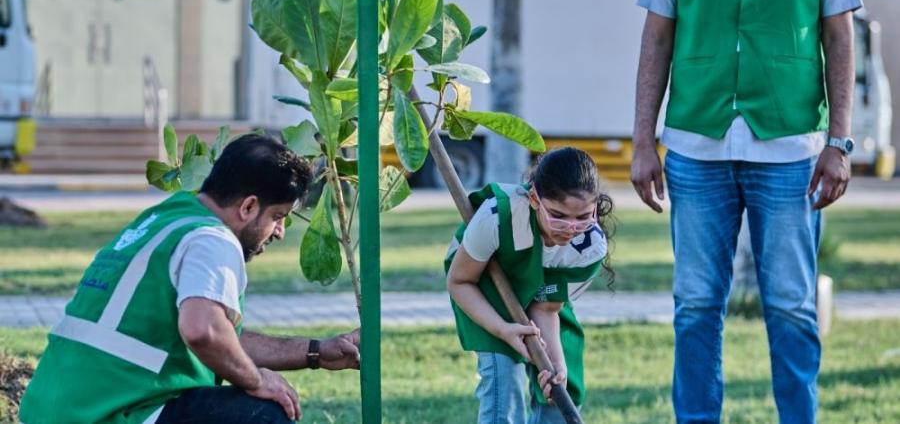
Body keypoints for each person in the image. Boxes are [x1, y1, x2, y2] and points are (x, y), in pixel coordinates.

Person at [631, 0, 860, 422]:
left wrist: (840, 142)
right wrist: (642, 140)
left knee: (791, 306)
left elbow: (839, 33)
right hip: (696, 143)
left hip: (792, 147)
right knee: (695, 305)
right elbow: (657, 34)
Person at [19, 134, 360, 424]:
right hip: (113, 413)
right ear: (248, 207)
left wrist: (316, 352)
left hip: (59, 409)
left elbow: (223, 337)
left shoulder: (166, 218)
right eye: (278, 217)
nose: (280, 232)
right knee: (262, 414)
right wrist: (256, 381)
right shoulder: (212, 239)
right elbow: (204, 331)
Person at [445, 147, 614, 423]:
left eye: (583, 217)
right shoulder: (497, 218)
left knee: (562, 381)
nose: (570, 228)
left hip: (542, 292)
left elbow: (546, 307)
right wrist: (503, 330)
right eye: (558, 215)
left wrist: (554, 362)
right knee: (504, 377)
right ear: (535, 199)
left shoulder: (590, 247)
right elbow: (459, 281)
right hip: (483, 284)